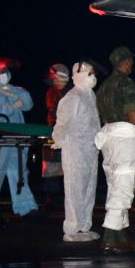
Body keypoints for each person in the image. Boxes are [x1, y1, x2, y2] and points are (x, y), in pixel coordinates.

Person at [95, 46, 135, 253]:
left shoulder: (104, 87)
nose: (132, 64)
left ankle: (121, 235)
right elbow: (134, 117)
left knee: (115, 187)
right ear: (126, 61)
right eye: (130, 60)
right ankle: (109, 237)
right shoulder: (128, 85)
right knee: (123, 189)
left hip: (108, 139)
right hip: (124, 140)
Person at [0, 58, 39, 216]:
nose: (3, 73)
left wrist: (11, 94)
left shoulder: (15, 89)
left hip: (17, 139)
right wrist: (12, 105)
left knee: (19, 173)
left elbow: (28, 103)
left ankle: (25, 207)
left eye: (5, 71)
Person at [52, 62, 101, 242]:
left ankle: (84, 226)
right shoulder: (73, 97)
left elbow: (95, 121)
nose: (93, 77)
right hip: (75, 150)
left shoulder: (90, 95)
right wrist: (58, 139)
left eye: (93, 73)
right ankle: (72, 229)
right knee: (75, 189)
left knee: (89, 189)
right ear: (79, 75)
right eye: (89, 74)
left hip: (91, 149)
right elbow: (62, 123)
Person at [42, 63, 70, 209]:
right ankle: (51, 197)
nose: (55, 81)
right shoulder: (50, 92)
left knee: (70, 167)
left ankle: (69, 198)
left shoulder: (73, 93)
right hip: (52, 132)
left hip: (69, 134)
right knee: (51, 166)